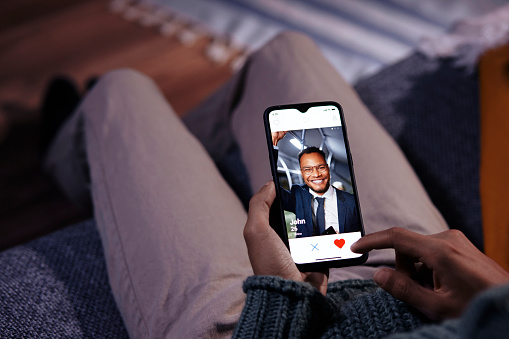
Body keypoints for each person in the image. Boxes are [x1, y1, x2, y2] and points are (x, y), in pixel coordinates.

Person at [43, 31, 509, 338]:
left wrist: (281, 301)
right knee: (285, 50)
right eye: (309, 172)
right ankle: (147, 149)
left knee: (121, 92)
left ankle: (78, 153)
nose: (318, 175)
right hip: (410, 285)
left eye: (318, 171)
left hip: (261, 323)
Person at [272, 139, 359, 237]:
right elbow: (272, 188)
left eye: (321, 167)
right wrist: (273, 142)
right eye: (308, 169)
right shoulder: (298, 197)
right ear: (302, 173)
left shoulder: (352, 201)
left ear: (328, 169)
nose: (316, 174)